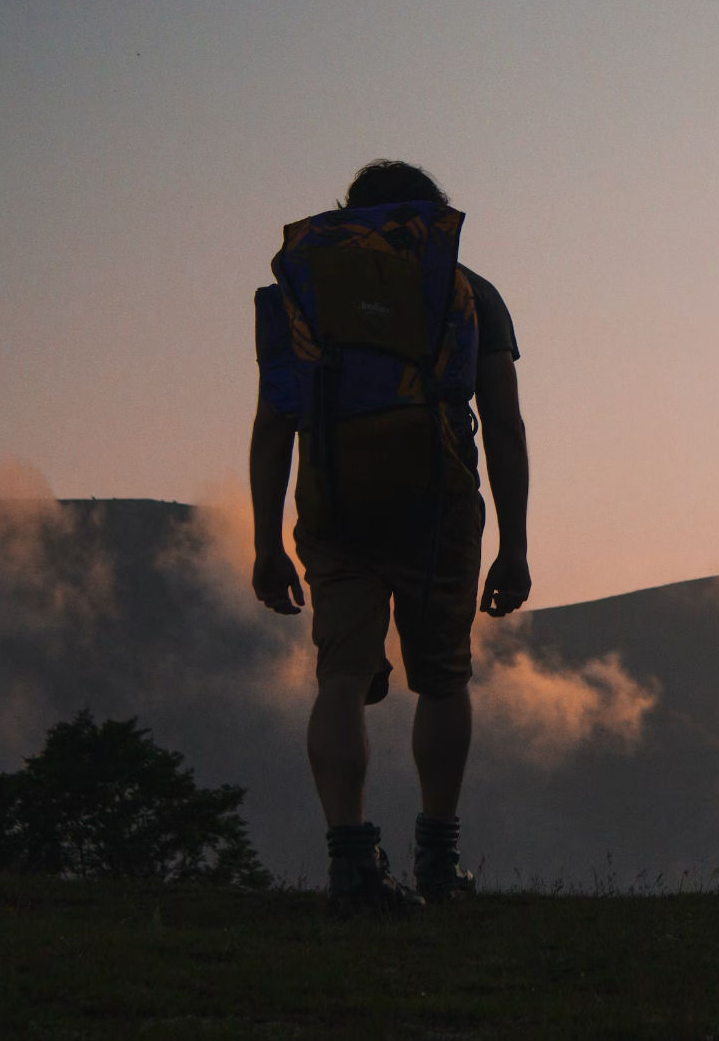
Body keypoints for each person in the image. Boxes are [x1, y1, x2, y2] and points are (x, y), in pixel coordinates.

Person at [249, 160, 530, 913]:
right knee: (441, 677)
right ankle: (438, 863)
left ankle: (351, 866)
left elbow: (276, 422)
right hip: (434, 501)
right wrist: (515, 542)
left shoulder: (310, 292)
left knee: (340, 678)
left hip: (333, 499)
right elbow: (501, 422)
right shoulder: (465, 292)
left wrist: (266, 541)